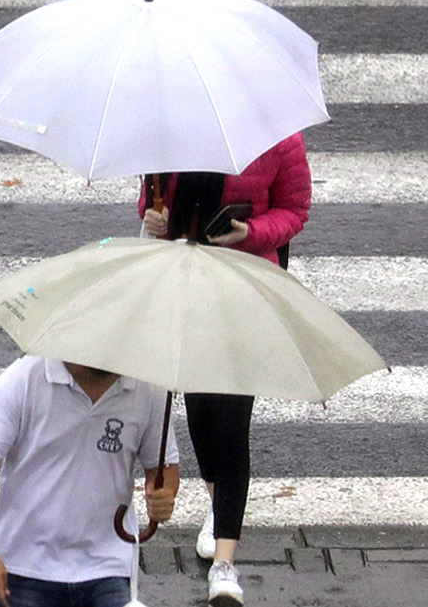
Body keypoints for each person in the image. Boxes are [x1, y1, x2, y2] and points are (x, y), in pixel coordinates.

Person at [140, 134, 311, 607]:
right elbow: (153, 201)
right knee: (201, 415)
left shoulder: (279, 137)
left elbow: (295, 212)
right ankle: (221, 510)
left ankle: (225, 563)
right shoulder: (169, 130)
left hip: (245, 289)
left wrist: (247, 232)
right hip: (188, 285)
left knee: (231, 422)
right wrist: (154, 218)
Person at [0, 355, 182, 607]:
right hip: (25, 563)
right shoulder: (24, 378)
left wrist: (163, 496)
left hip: (108, 564)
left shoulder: (148, 389)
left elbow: (163, 467)